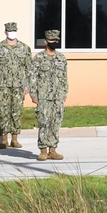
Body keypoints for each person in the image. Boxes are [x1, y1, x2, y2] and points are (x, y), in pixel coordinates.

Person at [0, 21, 32, 149]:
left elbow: (30, 68)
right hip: (2, 85)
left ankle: (15, 138)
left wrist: (28, 84)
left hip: (19, 85)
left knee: (16, 112)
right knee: (3, 111)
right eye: (10, 31)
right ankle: (4, 139)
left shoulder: (24, 48)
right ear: (5, 32)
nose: (12, 33)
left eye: (14, 31)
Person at [29, 29, 68, 162]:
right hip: (43, 96)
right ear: (46, 41)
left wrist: (64, 93)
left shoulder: (61, 58)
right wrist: (33, 94)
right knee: (44, 122)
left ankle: (53, 149)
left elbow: (64, 77)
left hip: (58, 96)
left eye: (57, 40)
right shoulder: (39, 58)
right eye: (52, 40)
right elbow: (32, 77)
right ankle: (43, 150)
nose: (54, 42)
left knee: (56, 122)